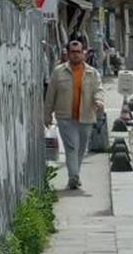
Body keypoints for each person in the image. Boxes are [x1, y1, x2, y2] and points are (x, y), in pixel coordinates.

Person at [44, 40, 105, 190]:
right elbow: (50, 95)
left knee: (81, 149)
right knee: (71, 147)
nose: (76, 55)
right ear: (68, 53)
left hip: (86, 116)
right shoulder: (58, 72)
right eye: (73, 52)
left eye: (78, 52)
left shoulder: (92, 73)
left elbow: (99, 90)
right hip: (65, 117)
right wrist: (47, 115)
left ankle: (75, 174)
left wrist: (98, 101)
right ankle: (73, 177)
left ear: (84, 53)